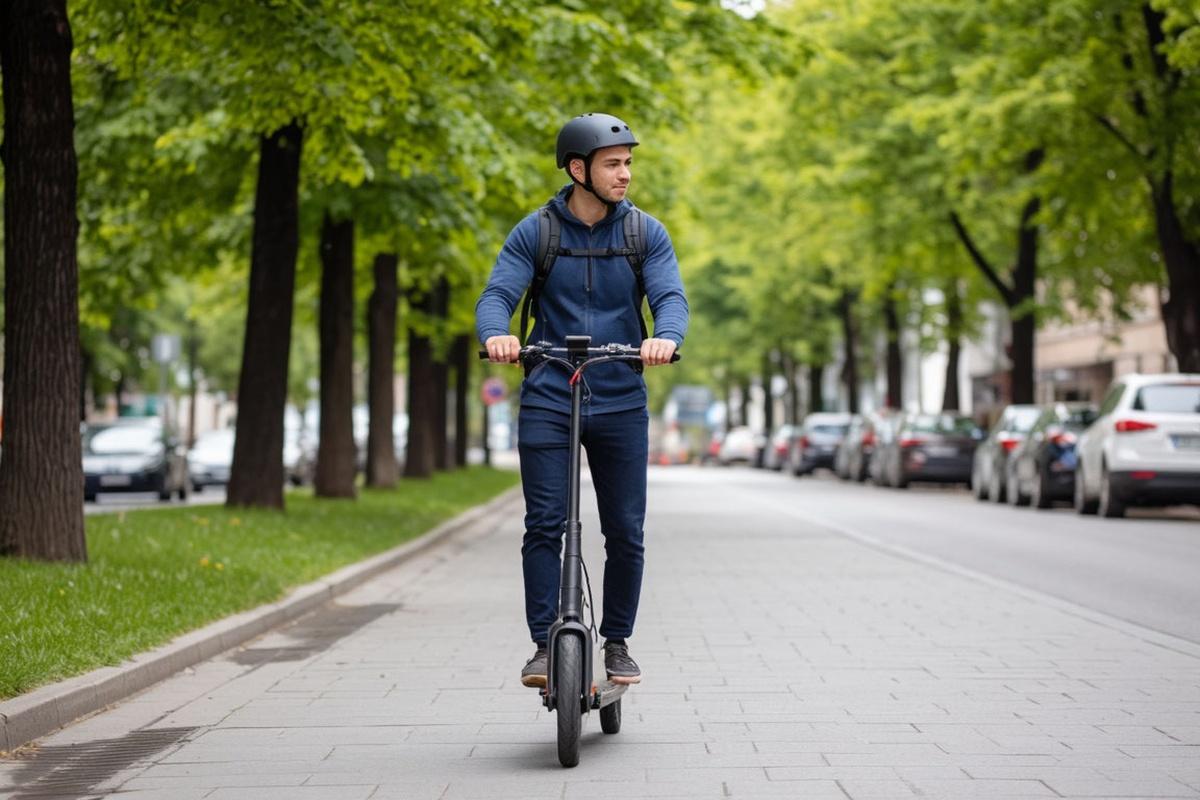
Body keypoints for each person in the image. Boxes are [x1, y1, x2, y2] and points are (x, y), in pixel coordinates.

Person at [475, 113, 689, 688]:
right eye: (613, 164)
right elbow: (497, 294)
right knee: (545, 522)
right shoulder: (536, 233)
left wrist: (665, 338)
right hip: (549, 392)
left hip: (619, 397)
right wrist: (496, 333)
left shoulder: (644, 234)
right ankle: (545, 645)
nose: (625, 175)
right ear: (578, 169)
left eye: (628, 164)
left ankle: (617, 642)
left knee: (625, 529)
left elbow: (670, 296)